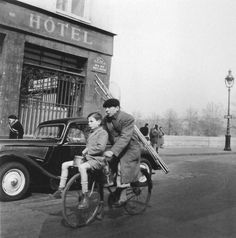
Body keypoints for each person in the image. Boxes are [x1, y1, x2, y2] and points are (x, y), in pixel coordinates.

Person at [52, 112, 108, 209]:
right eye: (88, 121)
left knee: (82, 167)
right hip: (88, 158)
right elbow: (89, 145)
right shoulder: (91, 132)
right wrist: (85, 151)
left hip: (97, 160)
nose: (89, 123)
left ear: (98, 122)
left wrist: (87, 151)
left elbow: (101, 148)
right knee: (65, 164)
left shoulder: (103, 133)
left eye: (91, 121)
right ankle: (60, 189)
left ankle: (85, 196)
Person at [103, 98, 141, 206]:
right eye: (105, 108)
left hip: (130, 148)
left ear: (117, 108)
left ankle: (123, 197)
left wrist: (113, 151)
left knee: (122, 169)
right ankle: (127, 184)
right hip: (118, 147)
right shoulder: (106, 120)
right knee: (110, 167)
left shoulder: (127, 118)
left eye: (109, 107)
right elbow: (101, 132)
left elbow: (125, 137)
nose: (106, 110)